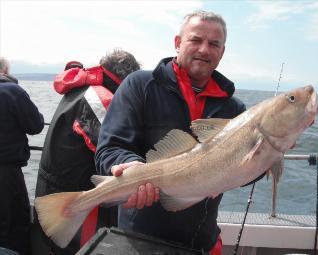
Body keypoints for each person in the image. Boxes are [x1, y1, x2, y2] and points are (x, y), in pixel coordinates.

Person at [95, 11, 251, 254]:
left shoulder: (234, 109)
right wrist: (128, 164)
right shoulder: (140, 85)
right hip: (138, 239)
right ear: (178, 43)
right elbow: (110, 147)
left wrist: (272, 149)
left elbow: (245, 173)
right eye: (196, 40)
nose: (204, 49)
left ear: (222, 52)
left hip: (202, 240)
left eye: (213, 44)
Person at [35, 49, 140, 254]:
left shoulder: (80, 89)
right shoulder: (101, 99)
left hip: (57, 193)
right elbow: (111, 148)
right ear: (127, 79)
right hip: (78, 203)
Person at [0, 57, 44, 255]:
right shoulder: (12, 91)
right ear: (5, 70)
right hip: (6, 174)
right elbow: (35, 125)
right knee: (14, 225)